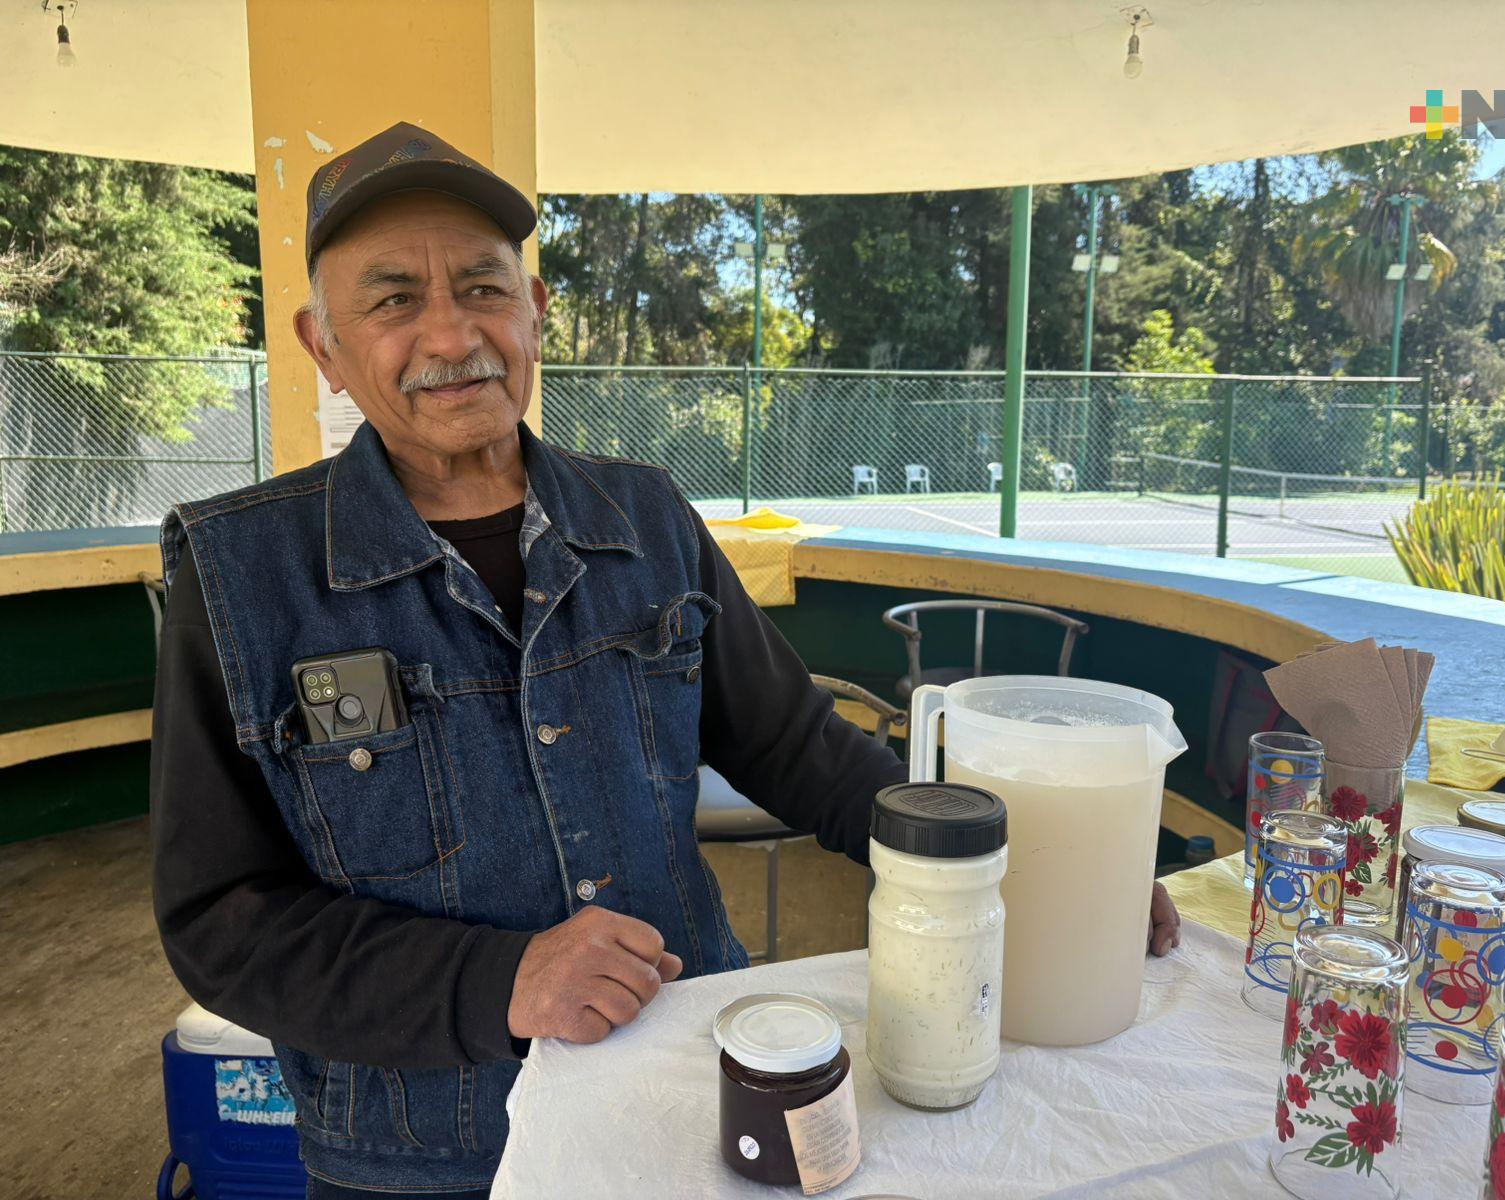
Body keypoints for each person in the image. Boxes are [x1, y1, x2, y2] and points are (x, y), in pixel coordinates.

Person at [150, 121, 1180, 1198]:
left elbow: (797, 749)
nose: (452, 334)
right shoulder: (239, 576)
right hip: (423, 1155)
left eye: (484, 288)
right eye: (394, 298)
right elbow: (221, 921)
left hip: (691, 1085)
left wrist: (1028, 876)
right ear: (325, 345)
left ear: (536, 313)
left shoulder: (642, 515)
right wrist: (495, 981)